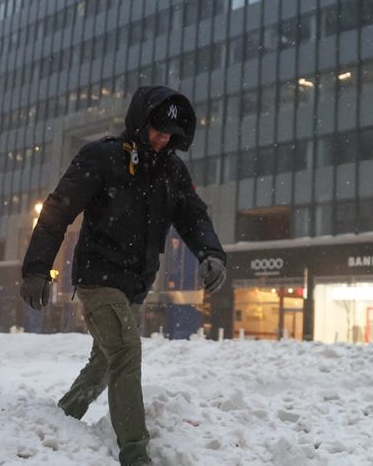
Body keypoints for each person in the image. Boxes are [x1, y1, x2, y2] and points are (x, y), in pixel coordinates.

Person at [20, 86, 226, 466]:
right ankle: (135, 454)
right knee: (127, 351)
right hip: (98, 277)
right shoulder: (102, 156)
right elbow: (58, 210)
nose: (163, 138)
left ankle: (62, 419)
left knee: (106, 360)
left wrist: (211, 252)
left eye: (171, 134)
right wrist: (36, 270)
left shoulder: (171, 171)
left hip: (136, 282)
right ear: (140, 121)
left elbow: (194, 216)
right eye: (157, 129)